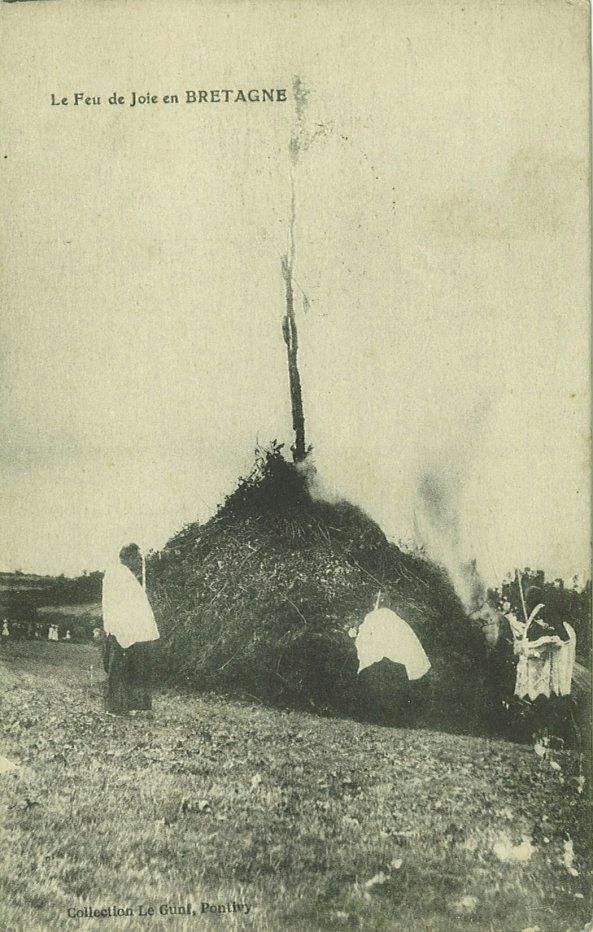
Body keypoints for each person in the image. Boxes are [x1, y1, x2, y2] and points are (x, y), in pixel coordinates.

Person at [101, 542, 160, 715]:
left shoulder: (124, 575)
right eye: (138, 558)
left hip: (131, 630)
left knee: (133, 667)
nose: (140, 562)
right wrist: (121, 628)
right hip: (122, 629)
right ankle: (117, 707)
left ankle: (132, 706)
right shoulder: (117, 574)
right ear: (129, 558)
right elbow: (118, 604)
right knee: (119, 668)